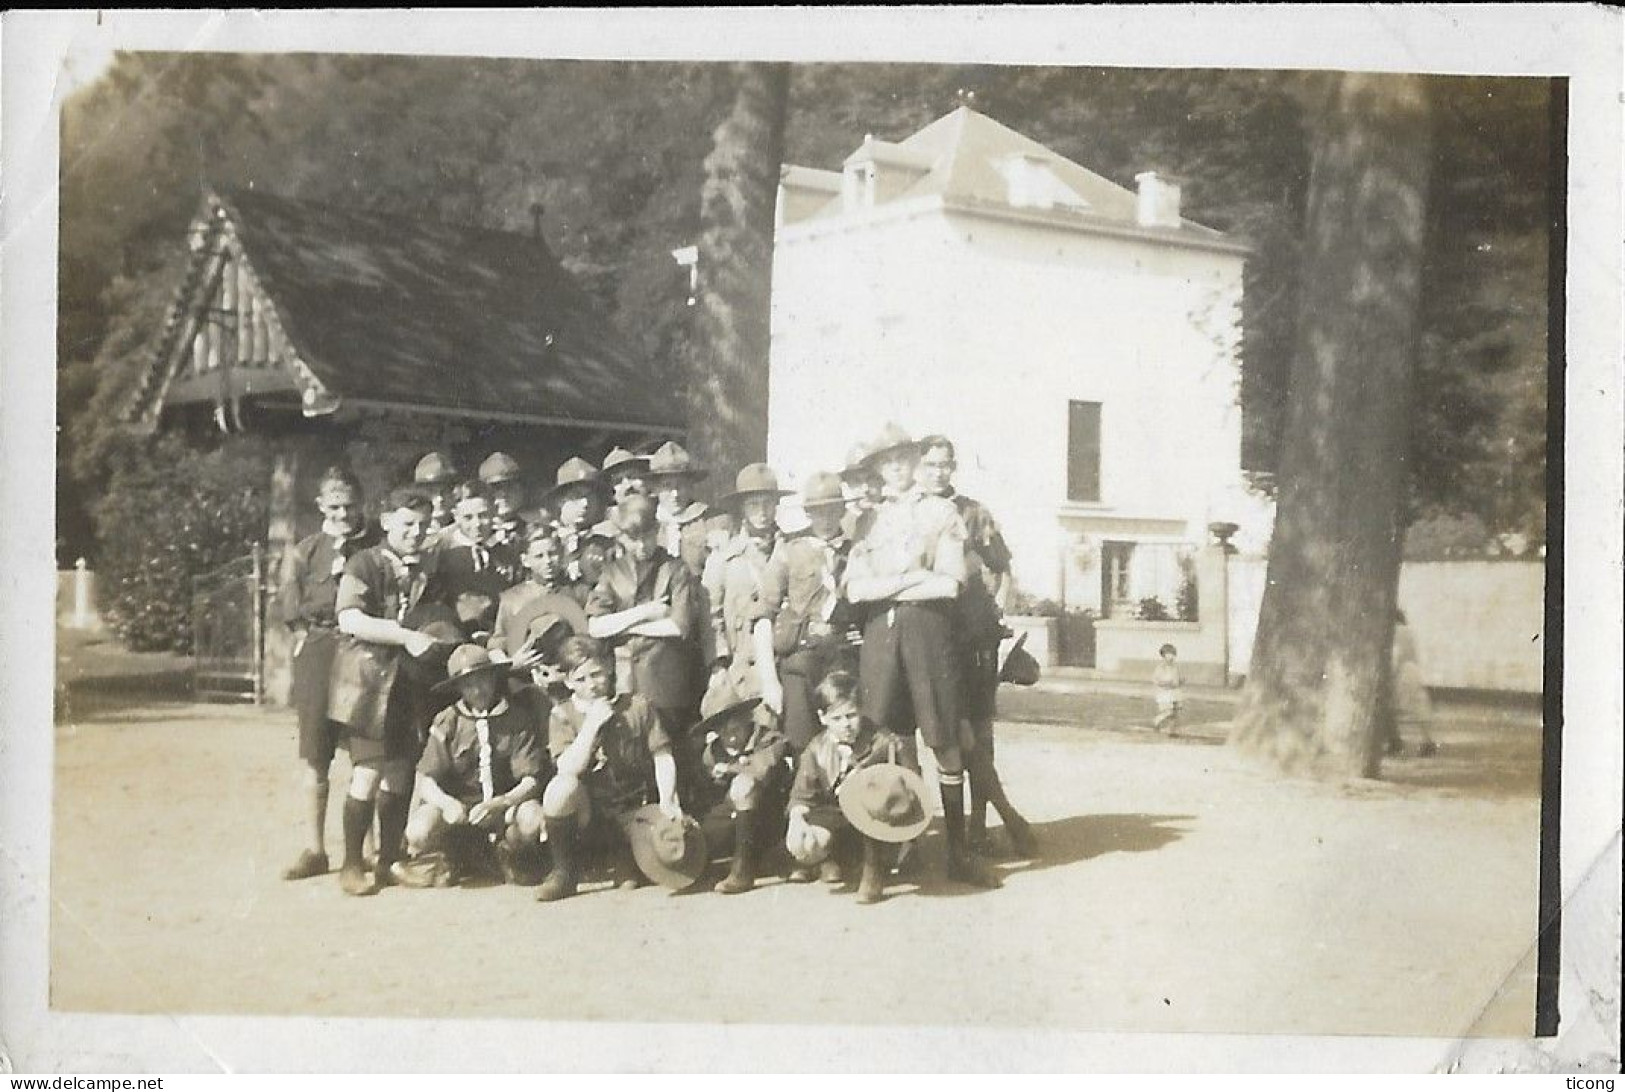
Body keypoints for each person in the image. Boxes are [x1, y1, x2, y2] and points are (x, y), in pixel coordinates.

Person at [844, 424, 1001, 888]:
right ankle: (877, 862)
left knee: (945, 741)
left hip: (930, 634)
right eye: (884, 460)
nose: (894, 466)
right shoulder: (865, 521)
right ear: (875, 468)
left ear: (914, 461)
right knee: (876, 742)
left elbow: (951, 582)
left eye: (902, 457)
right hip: (879, 636)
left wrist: (890, 586)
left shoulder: (941, 513)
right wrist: (911, 579)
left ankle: (957, 853)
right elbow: (855, 588)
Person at [327, 487, 459, 896]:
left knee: (401, 773)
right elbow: (349, 618)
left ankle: (389, 859)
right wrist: (404, 636)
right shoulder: (364, 562)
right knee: (367, 772)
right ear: (386, 522)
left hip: (409, 684)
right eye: (407, 524)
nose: (416, 533)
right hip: (369, 684)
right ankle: (352, 863)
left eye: (423, 525)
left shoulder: (429, 572)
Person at [914, 434, 1036, 857]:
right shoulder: (909, 513)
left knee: (979, 737)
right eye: (930, 464)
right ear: (918, 468)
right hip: (929, 637)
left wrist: (995, 615)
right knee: (946, 737)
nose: (938, 472)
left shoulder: (973, 512)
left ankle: (979, 826)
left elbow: (1002, 568)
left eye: (945, 464)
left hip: (972, 641)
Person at [276, 467, 380, 881]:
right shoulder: (305, 550)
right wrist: (303, 641)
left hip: (361, 652)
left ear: (362, 506)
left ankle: (369, 849)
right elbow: (289, 605)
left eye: (349, 506)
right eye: (334, 506)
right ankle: (315, 849)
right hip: (319, 652)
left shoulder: (375, 547)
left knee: (367, 752)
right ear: (321, 506)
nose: (342, 514)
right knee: (316, 754)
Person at [536, 636, 684, 902]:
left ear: (608, 668)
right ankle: (565, 873)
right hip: (589, 813)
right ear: (568, 682)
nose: (591, 685)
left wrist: (667, 801)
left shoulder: (637, 706)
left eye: (596, 675)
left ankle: (624, 858)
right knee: (560, 789)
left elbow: (662, 755)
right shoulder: (562, 714)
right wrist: (592, 725)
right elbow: (568, 768)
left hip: (633, 808)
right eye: (580, 679)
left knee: (656, 858)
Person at [393, 644, 549, 888]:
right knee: (418, 831)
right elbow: (426, 779)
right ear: (457, 688)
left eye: (483, 680)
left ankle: (510, 855)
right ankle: (448, 859)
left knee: (531, 819)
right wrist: (447, 804)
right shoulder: (448, 720)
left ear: (494, 678)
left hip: (504, 806)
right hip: (460, 810)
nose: (478, 690)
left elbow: (531, 778)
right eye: (468, 684)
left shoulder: (517, 718)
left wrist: (504, 802)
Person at [784, 670, 919, 904]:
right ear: (822, 718)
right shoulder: (817, 748)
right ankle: (830, 859)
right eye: (837, 719)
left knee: (868, 798)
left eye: (851, 715)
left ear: (861, 711)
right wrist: (797, 820)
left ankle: (873, 869)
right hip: (839, 816)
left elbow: (912, 785)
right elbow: (801, 794)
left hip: (877, 820)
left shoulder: (884, 741)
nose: (846, 725)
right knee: (807, 842)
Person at [754, 471, 859, 754]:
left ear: (843, 509)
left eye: (832, 509)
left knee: (848, 741)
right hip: (801, 662)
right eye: (817, 511)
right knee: (801, 745)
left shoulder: (856, 551)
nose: (825, 517)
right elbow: (764, 615)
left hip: (844, 661)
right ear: (807, 513)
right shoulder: (789, 550)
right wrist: (769, 681)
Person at [586, 494, 704, 742]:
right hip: (624, 681)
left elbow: (678, 626)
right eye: (633, 539)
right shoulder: (612, 572)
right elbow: (596, 626)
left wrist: (623, 628)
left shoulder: (675, 569)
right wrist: (645, 612)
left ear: (658, 530)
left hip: (667, 683)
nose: (641, 546)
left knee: (670, 749)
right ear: (622, 538)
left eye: (647, 536)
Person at [694, 691, 790, 895]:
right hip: (734, 817)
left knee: (743, 785)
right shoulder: (712, 752)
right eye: (721, 728)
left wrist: (729, 769)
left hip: (769, 816)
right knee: (700, 836)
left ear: (746, 718)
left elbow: (761, 769)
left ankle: (743, 870)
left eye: (734, 724)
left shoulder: (771, 740)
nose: (729, 734)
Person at [433, 479, 521, 643]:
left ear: (494, 511)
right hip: (457, 635)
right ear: (455, 516)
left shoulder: (506, 549)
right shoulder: (442, 550)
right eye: (468, 518)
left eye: (483, 516)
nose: (477, 524)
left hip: (500, 634)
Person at [645, 441, 733, 580]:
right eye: (667, 486)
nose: (675, 494)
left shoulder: (714, 521)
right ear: (655, 489)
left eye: (681, 485)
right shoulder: (648, 524)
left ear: (691, 486)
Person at [543, 456, 610, 587]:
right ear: (559, 501)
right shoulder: (545, 542)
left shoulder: (607, 544)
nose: (585, 503)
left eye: (590, 496)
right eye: (576, 496)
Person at [1390, 610, 1438, 757]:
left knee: (1388, 708)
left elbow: (1396, 654)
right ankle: (1428, 741)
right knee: (1419, 707)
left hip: (1402, 671)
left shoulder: (1394, 631)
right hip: (1413, 670)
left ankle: (1395, 742)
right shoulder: (1409, 632)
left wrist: (1392, 673)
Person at [478, 451, 528, 550]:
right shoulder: (476, 532)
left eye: (510, 486)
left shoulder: (531, 529)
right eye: (496, 488)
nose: (503, 494)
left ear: (521, 490)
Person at [412, 451, 460, 542]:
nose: (440, 498)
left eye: (445, 491)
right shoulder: (413, 534)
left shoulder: (465, 531)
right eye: (431, 492)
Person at [1152, 642, 1182, 735]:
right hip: (1164, 692)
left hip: (1174, 692)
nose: (1171, 657)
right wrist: (1166, 683)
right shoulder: (1160, 667)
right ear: (1163, 656)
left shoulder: (1175, 667)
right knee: (1168, 711)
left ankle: (1172, 731)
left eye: (1172, 654)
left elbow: (1177, 679)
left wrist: (1180, 681)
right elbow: (1156, 680)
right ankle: (1156, 721)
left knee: (1175, 712)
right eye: (1168, 654)